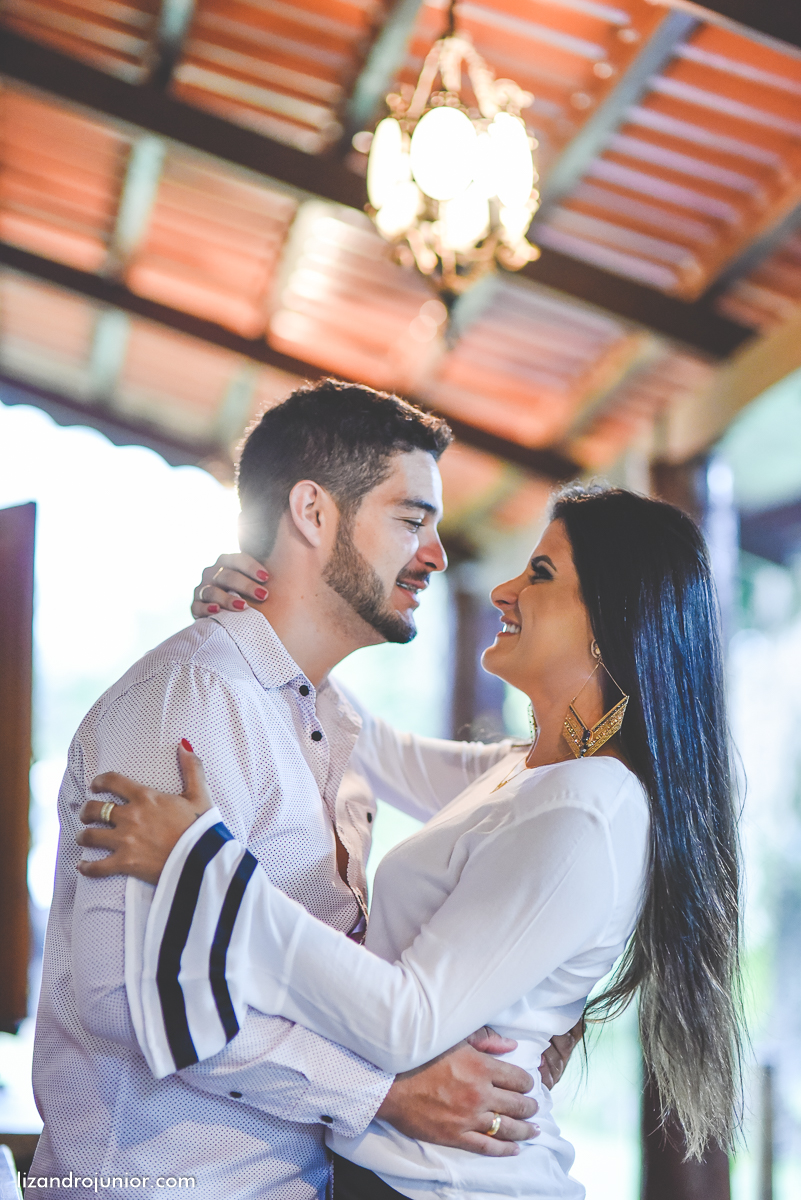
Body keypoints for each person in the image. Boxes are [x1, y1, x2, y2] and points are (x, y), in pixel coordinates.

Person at [79, 486, 744, 1200]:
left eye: (541, 574)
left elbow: (406, 1020)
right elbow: (369, 744)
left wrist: (201, 865)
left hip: (454, 1185)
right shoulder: (525, 774)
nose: (503, 589)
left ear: (613, 621)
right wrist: (258, 626)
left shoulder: (590, 804)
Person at [32, 380, 575, 1200]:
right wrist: (384, 1094)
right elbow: (127, 997)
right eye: (411, 520)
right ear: (313, 513)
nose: (434, 555)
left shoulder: (332, 718)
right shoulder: (190, 701)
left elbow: (529, 791)